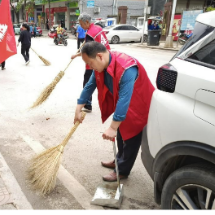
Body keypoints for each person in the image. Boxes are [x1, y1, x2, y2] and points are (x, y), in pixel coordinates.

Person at [74, 42, 155, 182]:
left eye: (90, 63)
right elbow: (90, 85)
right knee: (121, 134)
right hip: (124, 104)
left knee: (131, 138)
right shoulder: (102, 65)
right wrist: (78, 107)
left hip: (139, 106)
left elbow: (125, 98)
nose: (90, 67)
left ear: (99, 56)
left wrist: (112, 127)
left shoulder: (126, 68)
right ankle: (119, 159)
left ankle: (122, 170)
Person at [71, 13, 110, 112]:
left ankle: (87, 104)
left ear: (87, 22)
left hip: (95, 62)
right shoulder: (98, 28)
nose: (81, 26)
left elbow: (87, 52)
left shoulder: (90, 34)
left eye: (81, 24)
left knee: (88, 84)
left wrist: (76, 55)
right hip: (107, 57)